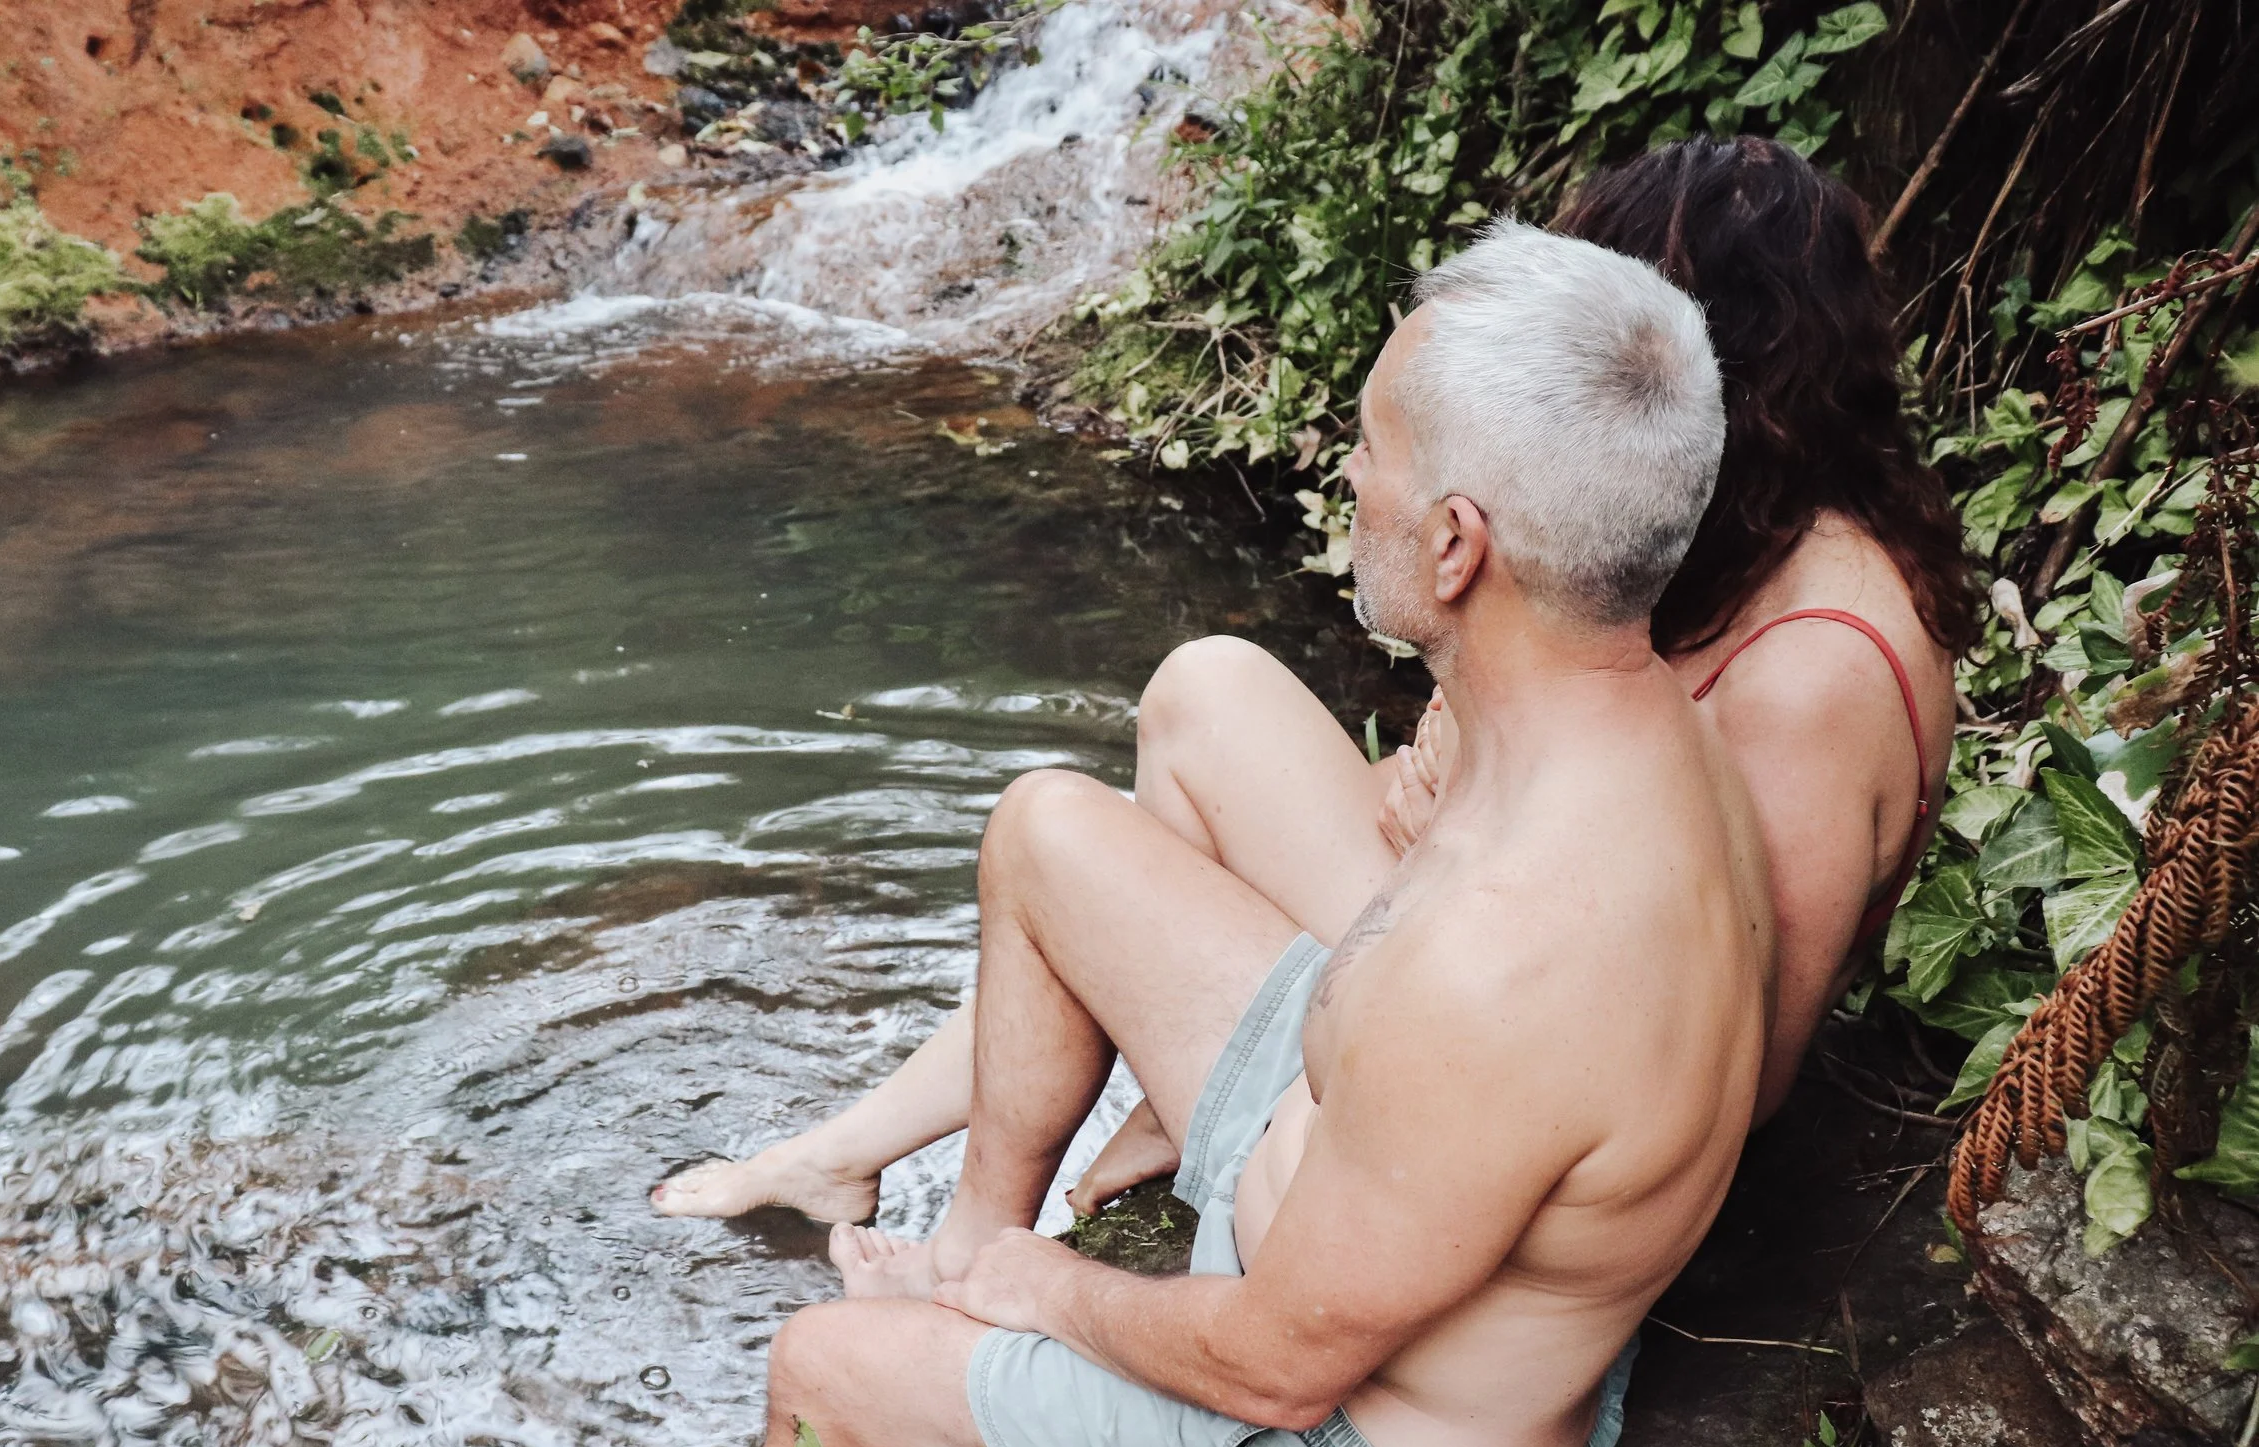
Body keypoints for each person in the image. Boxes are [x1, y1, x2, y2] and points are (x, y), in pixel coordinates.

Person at [724, 223, 1773, 1447]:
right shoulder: (1646, 733)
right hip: (1364, 1169)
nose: (1349, 474)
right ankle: (962, 1246)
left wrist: (1051, 1290)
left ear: (1458, 543)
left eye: (1373, 445)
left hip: (1367, 1443)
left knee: (820, 1363)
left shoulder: (1510, 961)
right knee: (1048, 828)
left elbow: (1282, 1367)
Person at [651, 136, 1975, 1230]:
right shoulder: (1739, 534)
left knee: (1064, 852)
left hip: (1553, 1111)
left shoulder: (1819, 670)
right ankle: (861, 1142)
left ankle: (991, 1241)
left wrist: (1446, 849)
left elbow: (1730, 1070)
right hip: (1504, 943)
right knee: (1203, 690)